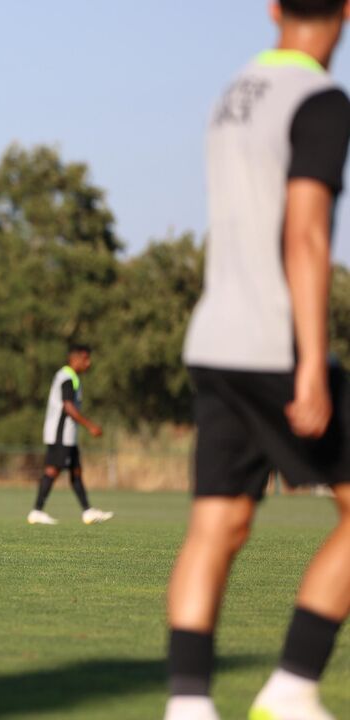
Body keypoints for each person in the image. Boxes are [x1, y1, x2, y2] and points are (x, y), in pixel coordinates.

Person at [165, 2, 350, 718]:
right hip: (274, 343)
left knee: (219, 523)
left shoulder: (234, 94)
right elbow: (305, 234)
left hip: (214, 339)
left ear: (273, 7)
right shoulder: (320, 100)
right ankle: (293, 684)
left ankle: (188, 704)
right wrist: (310, 362)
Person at [26, 344, 114, 525]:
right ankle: (36, 511)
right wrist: (90, 426)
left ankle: (87, 511)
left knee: (76, 471)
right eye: (85, 358)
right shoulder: (67, 377)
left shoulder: (72, 377)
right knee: (52, 470)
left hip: (68, 435)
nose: (88, 363)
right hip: (60, 434)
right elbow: (68, 407)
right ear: (74, 359)